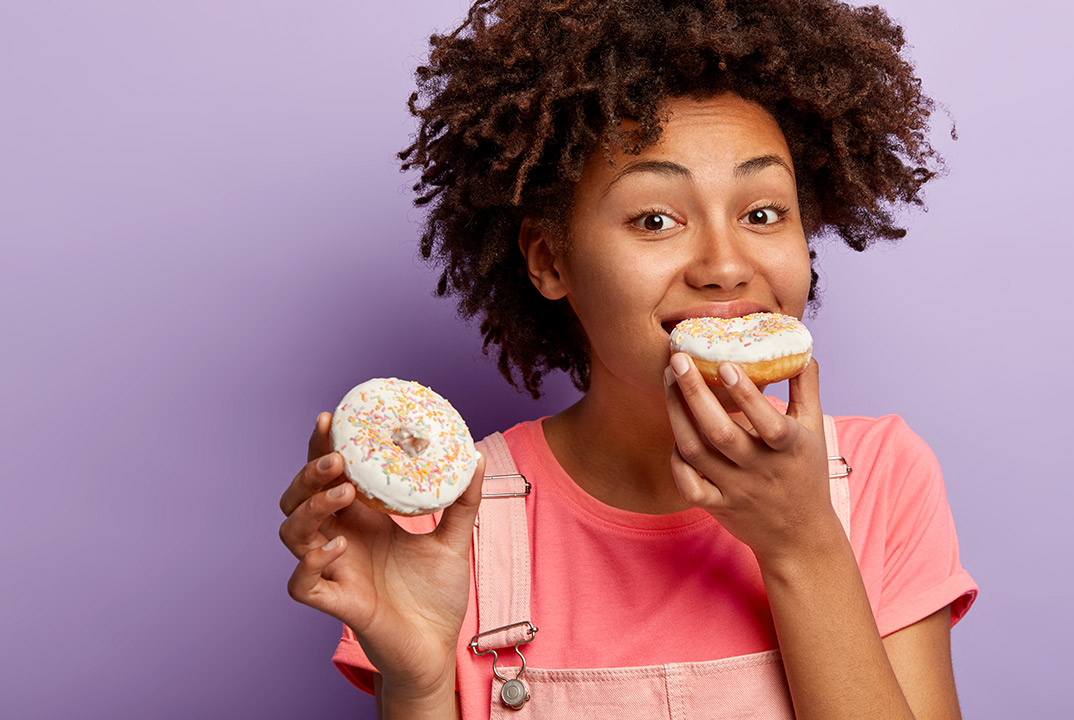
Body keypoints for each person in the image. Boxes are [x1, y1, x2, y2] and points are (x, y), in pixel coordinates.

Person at [278, 0, 978, 717]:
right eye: (655, 219)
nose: (725, 265)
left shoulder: (882, 478)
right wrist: (419, 681)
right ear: (551, 261)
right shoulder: (451, 517)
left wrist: (803, 545)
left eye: (763, 213)